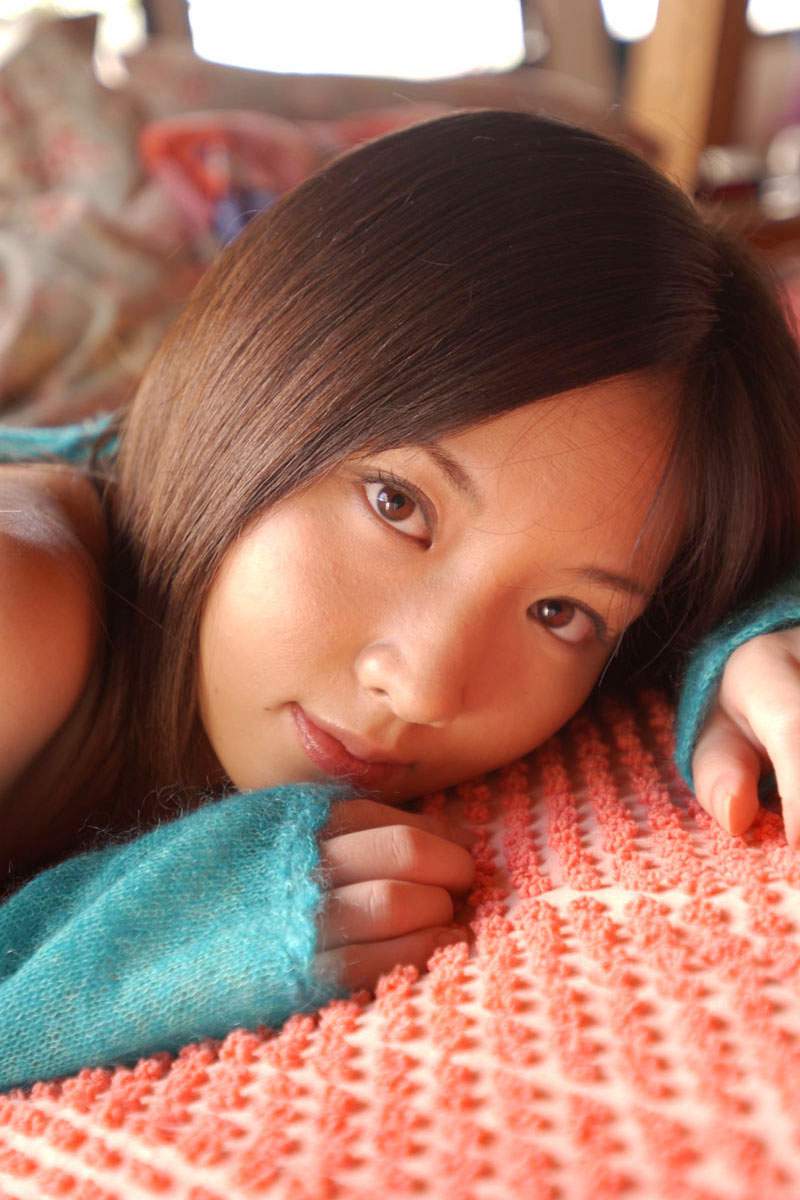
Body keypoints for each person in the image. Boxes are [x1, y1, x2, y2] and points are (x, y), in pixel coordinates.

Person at [1, 109, 800, 1091]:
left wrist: (757, 627)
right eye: (397, 505)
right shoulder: (19, 605)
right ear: (257, 379)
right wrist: (125, 950)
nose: (423, 686)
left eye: (559, 613)